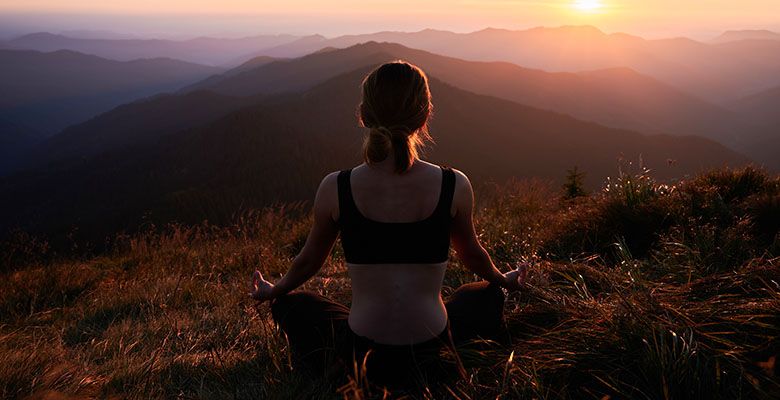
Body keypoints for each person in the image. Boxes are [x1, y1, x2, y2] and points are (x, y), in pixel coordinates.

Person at [249, 60, 527, 385]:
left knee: (293, 304)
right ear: (424, 118)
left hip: (362, 355)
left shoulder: (336, 187)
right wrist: (503, 280)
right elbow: (472, 255)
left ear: (364, 116)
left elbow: (309, 260)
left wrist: (274, 290)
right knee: (484, 294)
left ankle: (333, 368)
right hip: (432, 350)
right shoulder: (455, 185)